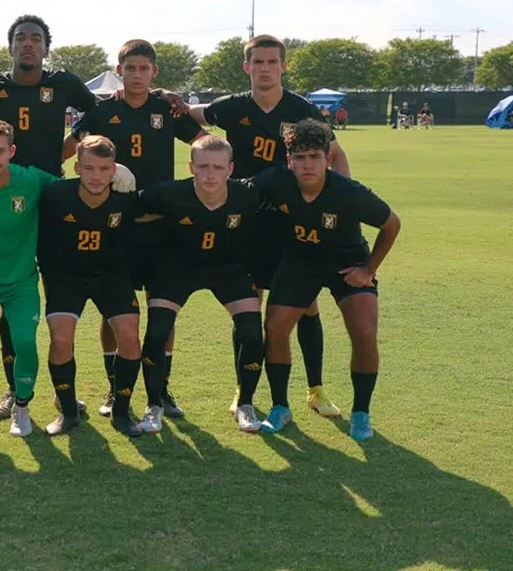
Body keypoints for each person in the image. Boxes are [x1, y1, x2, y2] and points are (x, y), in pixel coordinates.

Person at [168, 35, 351, 420]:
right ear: (246, 66)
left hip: (292, 219)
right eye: (257, 62)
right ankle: (244, 389)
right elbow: (193, 114)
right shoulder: (232, 107)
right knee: (249, 307)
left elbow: (335, 154)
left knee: (305, 305)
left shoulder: (302, 110)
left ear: (283, 66)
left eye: (272, 61)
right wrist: (170, 100)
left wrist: (339, 201)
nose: (265, 68)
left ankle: (316, 390)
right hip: (245, 222)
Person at [0, 118, 134, 437]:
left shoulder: (32, 180)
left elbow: (77, 186)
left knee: (25, 342)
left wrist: (114, 173)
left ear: (11, 151)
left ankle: (21, 408)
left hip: (20, 281)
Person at [67, 39, 205, 418]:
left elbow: (203, 141)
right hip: (117, 226)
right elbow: (70, 146)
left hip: (161, 226)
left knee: (163, 310)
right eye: (131, 68)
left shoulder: (167, 108)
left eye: (144, 69)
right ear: (120, 70)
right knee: (115, 312)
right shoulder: (101, 110)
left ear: (154, 72)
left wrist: (215, 169)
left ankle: (160, 390)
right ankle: (116, 389)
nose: (137, 75)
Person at [250, 119, 401, 440]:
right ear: (288, 161)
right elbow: (236, 193)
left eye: (314, 157)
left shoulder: (349, 192)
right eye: (300, 158)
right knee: (275, 327)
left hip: (348, 262)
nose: (307, 165)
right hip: (300, 261)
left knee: (363, 331)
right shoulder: (273, 182)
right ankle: (280, 406)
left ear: (327, 160)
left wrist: (369, 270)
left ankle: (361, 412)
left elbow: (392, 225)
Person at [133, 135, 265, 434]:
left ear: (230, 169)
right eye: (203, 166)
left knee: (252, 333)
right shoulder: (169, 193)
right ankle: (153, 405)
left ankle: (245, 404)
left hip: (227, 269)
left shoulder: (247, 195)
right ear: (191, 166)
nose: (210, 174)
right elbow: (129, 207)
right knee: (157, 331)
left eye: (218, 167)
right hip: (177, 268)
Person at [38, 135, 144, 437]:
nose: (96, 176)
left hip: (111, 276)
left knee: (129, 336)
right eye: (89, 168)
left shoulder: (127, 198)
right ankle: (69, 412)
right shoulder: (55, 195)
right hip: (66, 277)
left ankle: (121, 413)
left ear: (114, 170)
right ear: (76, 167)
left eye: (103, 168)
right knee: (60, 338)